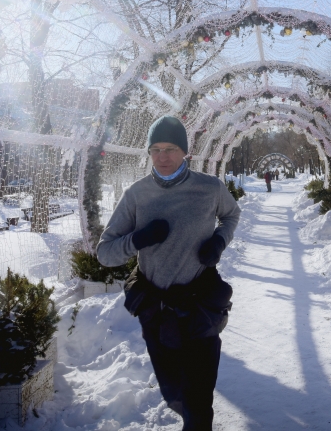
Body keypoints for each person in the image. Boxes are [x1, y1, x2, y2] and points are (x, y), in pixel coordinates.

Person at [97, 115, 240, 431]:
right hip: (157, 311)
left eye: (171, 148)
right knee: (173, 393)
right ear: (148, 152)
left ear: (186, 152)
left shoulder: (209, 188)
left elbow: (231, 215)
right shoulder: (137, 194)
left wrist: (218, 241)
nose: (163, 156)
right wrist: (138, 239)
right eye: (156, 149)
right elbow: (105, 253)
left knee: (198, 400)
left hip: (201, 305)